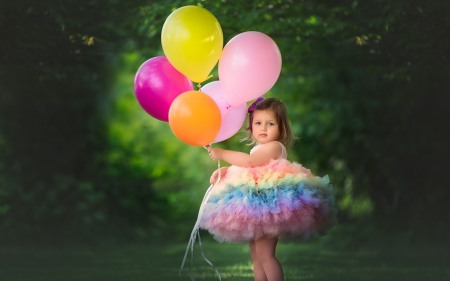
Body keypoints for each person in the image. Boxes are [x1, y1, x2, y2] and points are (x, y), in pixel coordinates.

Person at [202, 97, 337, 281]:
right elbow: (248, 167)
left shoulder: (275, 147)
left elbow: (250, 162)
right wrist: (226, 170)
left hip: (269, 207)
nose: (263, 128)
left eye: (270, 123)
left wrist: (223, 154)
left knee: (265, 255)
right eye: (258, 123)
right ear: (251, 126)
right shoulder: (258, 148)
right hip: (257, 206)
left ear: (281, 127)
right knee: (256, 256)